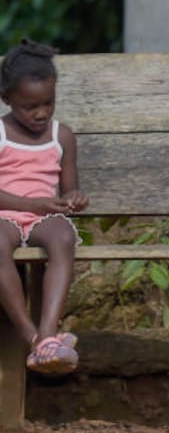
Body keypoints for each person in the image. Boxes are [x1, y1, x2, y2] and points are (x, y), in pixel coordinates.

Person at [0, 39, 88, 374]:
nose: (41, 113)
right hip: (4, 215)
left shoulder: (61, 136)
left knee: (63, 236)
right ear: (6, 99)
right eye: (29, 106)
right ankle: (31, 335)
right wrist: (33, 203)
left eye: (48, 103)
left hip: (44, 218)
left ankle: (49, 333)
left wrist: (74, 199)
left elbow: (69, 190)